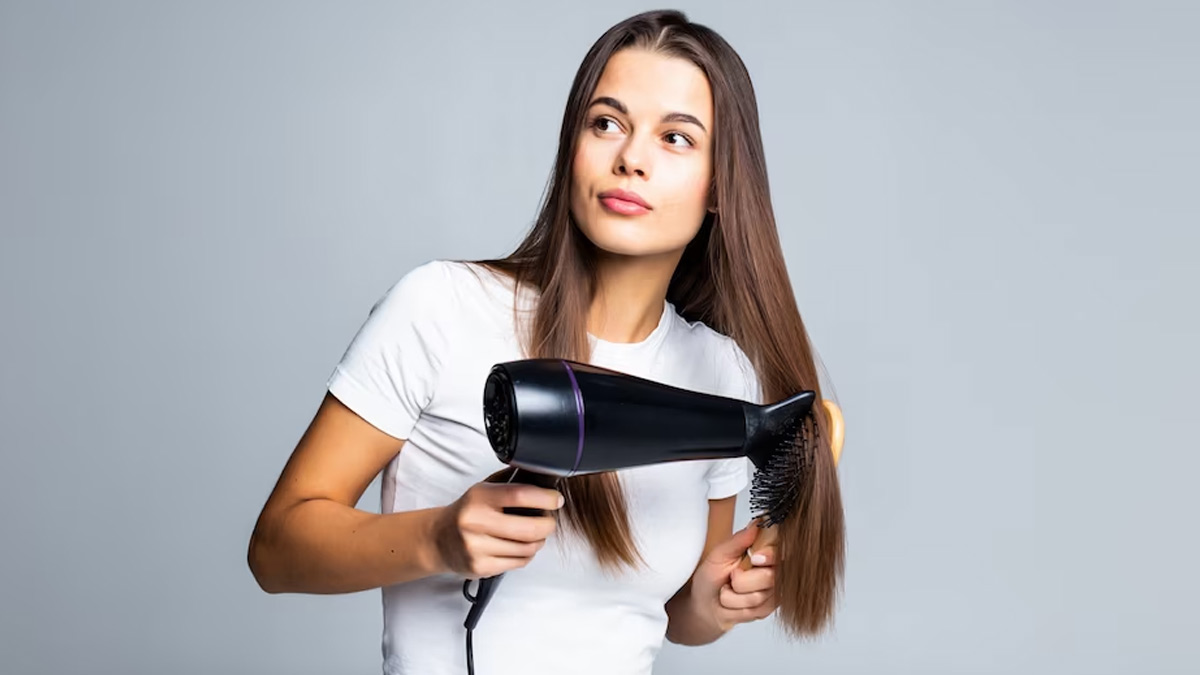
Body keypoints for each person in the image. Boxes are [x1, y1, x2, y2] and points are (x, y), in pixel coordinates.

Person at [248, 9, 844, 675]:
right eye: (607, 123)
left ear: (719, 187)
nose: (631, 159)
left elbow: (673, 616)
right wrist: (437, 539)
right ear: (573, 147)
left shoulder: (720, 374)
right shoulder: (442, 307)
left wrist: (715, 601)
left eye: (676, 138)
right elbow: (276, 548)